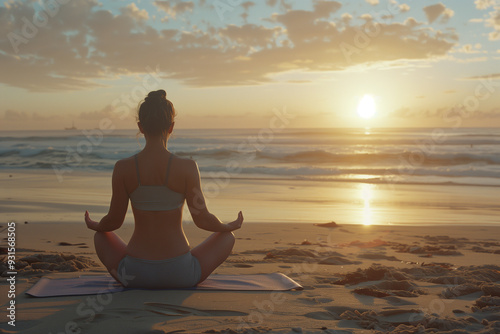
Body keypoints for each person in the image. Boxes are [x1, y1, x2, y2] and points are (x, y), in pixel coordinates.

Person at [84, 89, 244, 289]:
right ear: (171, 127)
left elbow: (113, 221)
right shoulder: (187, 167)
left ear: (140, 127)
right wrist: (227, 227)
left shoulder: (123, 168)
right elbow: (202, 219)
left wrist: (96, 225)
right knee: (227, 238)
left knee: (101, 236)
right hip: (180, 273)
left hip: (133, 274)